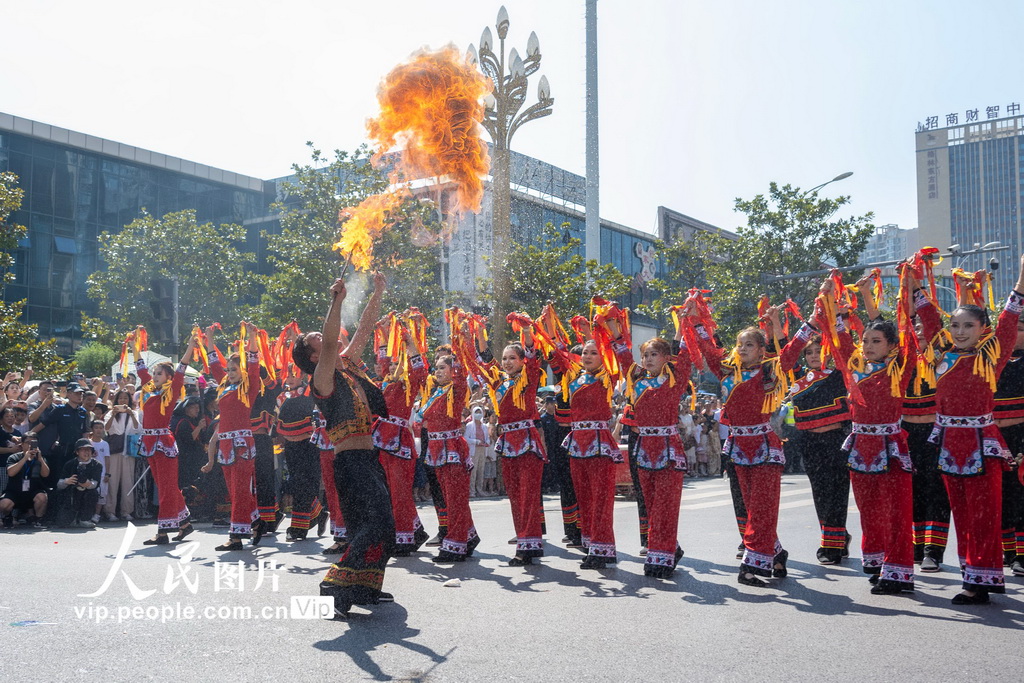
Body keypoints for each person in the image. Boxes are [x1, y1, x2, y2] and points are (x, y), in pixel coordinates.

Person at [915, 252, 1024, 604]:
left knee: (983, 514)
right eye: (956, 326)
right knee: (962, 516)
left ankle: (980, 579)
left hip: (981, 444)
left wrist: (1021, 277)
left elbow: (1009, 320)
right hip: (949, 444)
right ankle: (974, 576)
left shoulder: (991, 356)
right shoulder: (942, 355)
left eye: (968, 326)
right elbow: (928, 317)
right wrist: (914, 280)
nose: (960, 332)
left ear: (983, 330)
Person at [688, 299, 813, 586]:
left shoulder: (771, 370)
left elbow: (791, 351)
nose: (742, 349)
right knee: (751, 507)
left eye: (749, 345)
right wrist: (696, 321)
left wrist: (813, 315)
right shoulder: (728, 372)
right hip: (737, 446)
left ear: (761, 349)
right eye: (740, 344)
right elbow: (708, 351)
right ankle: (777, 554)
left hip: (764, 445)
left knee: (762, 507)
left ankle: (751, 564)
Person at [291, 273, 395, 618]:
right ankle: (333, 585)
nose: (323, 335)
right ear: (312, 354)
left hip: (369, 457)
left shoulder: (347, 366)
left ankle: (362, 586)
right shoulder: (322, 378)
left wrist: (378, 291)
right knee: (379, 522)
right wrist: (336, 300)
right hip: (350, 462)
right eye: (316, 337)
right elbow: (333, 339)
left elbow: (364, 328)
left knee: (369, 525)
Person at [814, 276, 915, 595]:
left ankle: (898, 569)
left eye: (876, 341)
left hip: (890, 445)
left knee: (896, 510)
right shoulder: (853, 369)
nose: (868, 346)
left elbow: (912, 335)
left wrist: (913, 291)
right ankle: (876, 562)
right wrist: (829, 300)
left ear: (891, 346)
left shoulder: (900, 369)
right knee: (868, 508)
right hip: (860, 446)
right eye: (866, 341)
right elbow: (837, 334)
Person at [603, 309, 691, 578]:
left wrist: (685, 323)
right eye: (646, 355)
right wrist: (613, 327)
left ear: (666, 359)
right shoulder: (637, 382)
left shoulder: (674, 381)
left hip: (667, 448)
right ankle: (664, 549)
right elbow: (622, 356)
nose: (649, 359)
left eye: (655, 354)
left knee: (666, 505)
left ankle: (662, 556)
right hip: (643, 449)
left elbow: (684, 357)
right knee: (652, 506)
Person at [545, 312, 623, 570]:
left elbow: (618, 353)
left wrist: (604, 326)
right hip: (578, 443)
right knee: (585, 497)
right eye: (586, 352)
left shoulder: (608, 377)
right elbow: (557, 353)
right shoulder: (574, 378)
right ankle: (592, 546)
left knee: (601, 498)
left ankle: (604, 548)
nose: (588, 356)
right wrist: (548, 325)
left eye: (594, 352)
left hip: (599, 443)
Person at [478, 317, 549, 566]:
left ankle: (529, 544)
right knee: (515, 496)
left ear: (521, 361)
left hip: (527, 443)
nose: (507, 362)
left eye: (512, 358)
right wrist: (476, 332)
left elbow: (532, 356)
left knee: (528, 494)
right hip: (508, 443)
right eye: (505, 358)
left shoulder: (529, 378)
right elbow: (486, 363)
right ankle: (524, 540)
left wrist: (527, 330)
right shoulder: (499, 382)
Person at [787, 333, 852, 565]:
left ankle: (831, 546)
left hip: (836, 440)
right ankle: (837, 537)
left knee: (837, 493)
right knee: (820, 493)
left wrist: (837, 322)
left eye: (818, 351)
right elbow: (786, 353)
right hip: (810, 443)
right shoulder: (799, 378)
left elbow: (846, 348)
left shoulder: (839, 375)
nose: (814, 356)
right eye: (810, 352)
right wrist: (775, 325)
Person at [129, 327, 198, 545]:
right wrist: (133, 347)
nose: (154, 375)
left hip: (163, 442)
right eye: (154, 373)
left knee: (167, 489)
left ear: (168, 377)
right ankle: (185, 523)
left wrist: (189, 348)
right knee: (165, 487)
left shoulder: (172, 390)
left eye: (159, 373)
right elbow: (140, 369)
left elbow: (181, 369)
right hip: (149, 442)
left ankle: (163, 531)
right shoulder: (149, 389)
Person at [202, 322, 262, 551]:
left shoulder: (249, 386)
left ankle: (236, 536)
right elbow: (214, 364)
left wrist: (253, 337)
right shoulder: (225, 386)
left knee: (239, 489)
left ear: (243, 371)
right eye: (228, 370)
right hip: (225, 443)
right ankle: (256, 520)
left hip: (242, 443)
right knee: (235, 490)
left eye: (234, 369)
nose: (229, 373)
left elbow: (254, 364)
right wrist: (209, 339)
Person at [373, 318, 430, 555]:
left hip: (399, 443)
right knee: (386, 492)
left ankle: (406, 537)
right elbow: (383, 361)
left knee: (399, 492)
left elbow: (421, 369)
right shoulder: (386, 381)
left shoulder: (409, 384)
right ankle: (412, 531)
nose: (392, 365)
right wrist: (385, 333)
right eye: (392, 362)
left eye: (399, 362)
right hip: (380, 441)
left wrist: (410, 344)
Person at [420, 350, 479, 563]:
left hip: (452, 450)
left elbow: (461, 376)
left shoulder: (456, 389)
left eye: (443, 367)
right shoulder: (436, 392)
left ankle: (455, 545)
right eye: (436, 368)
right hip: (437, 451)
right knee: (451, 499)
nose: (438, 371)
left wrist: (459, 344)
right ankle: (469, 536)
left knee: (455, 499)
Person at [276, 388, 328, 542]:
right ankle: (318, 514)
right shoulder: (283, 397)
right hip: (291, 448)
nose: (290, 378)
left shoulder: (309, 396)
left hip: (308, 446)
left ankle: (298, 528)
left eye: (294, 374)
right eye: (289, 374)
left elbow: (314, 427)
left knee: (304, 486)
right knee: (297, 484)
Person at [995, 314, 1024, 577]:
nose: (1014, 334)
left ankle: (1022, 556)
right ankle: (1008, 552)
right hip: (995, 438)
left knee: (1021, 496)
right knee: (1002, 497)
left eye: (1020, 329)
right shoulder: (990, 361)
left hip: (1021, 436)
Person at [103, 389, 138, 521]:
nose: (123, 401)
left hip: (128, 451)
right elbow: (106, 428)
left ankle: (126, 511)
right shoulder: (110, 413)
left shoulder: (133, 413)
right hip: (114, 451)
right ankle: (110, 511)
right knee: (112, 482)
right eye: (120, 398)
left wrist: (132, 414)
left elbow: (137, 428)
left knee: (128, 482)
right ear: (116, 400)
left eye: (125, 398)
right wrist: (113, 414)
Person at [1, 437, 49, 527]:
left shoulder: (39, 458)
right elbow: (11, 473)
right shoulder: (14, 457)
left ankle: (38, 520)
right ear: (22, 444)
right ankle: (8, 516)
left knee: (42, 497)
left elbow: (45, 474)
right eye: (28, 442)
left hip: (32, 492)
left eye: (33, 443)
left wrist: (40, 459)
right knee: (4, 504)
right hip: (15, 492)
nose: (30, 445)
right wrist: (25, 458)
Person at [56, 438, 103, 528]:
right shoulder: (70, 464)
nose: (86, 452)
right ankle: (71, 518)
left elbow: (95, 484)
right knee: (63, 522)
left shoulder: (97, 465)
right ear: (77, 452)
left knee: (93, 493)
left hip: (88, 492)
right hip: (71, 492)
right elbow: (59, 484)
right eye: (83, 450)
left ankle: (84, 519)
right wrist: (67, 481)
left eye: (89, 450)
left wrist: (87, 484)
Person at [87, 420, 112, 524]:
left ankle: (97, 514)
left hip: (102, 474)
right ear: (92, 429)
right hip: (89, 473)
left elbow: (107, 459)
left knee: (102, 495)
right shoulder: (88, 442)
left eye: (101, 428)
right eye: (96, 427)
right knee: (90, 494)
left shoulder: (105, 444)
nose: (99, 430)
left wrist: (107, 473)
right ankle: (87, 514)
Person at [466, 406, 491, 498]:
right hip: (474, 450)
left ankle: (479, 489)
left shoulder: (484, 426)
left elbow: (487, 437)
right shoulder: (469, 425)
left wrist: (487, 442)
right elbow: (466, 438)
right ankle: (472, 491)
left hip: (482, 450)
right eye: (476, 412)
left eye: (479, 412)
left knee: (481, 470)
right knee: (473, 471)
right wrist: (476, 441)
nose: (478, 414)